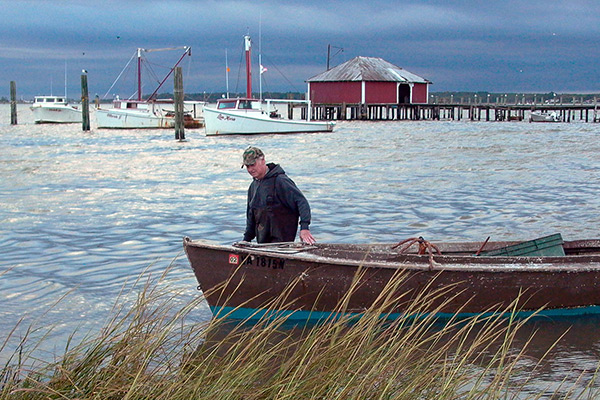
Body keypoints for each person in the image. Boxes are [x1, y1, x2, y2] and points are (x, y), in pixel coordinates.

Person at [241, 146, 316, 245]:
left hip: (283, 244)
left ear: (262, 160)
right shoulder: (253, 187)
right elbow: (251, 216)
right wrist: (246, 240)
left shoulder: (280, 181)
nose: (250, 169)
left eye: (253, 165)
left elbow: (302, 202)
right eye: (247, 166)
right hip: (263, 245)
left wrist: (304, 228)